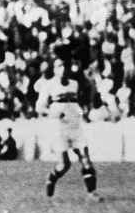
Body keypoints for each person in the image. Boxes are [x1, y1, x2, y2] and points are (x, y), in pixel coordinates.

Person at [37, 58, 101, 200]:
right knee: (64, 164)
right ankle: (51, 178)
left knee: (86, 159)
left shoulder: (74, 84)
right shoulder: (48, 85)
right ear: (54, 69)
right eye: (59, 66)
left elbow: (77, 103)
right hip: (59, 127)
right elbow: (39, 106)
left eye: (64, 66)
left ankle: (92, 193)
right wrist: (51, 113)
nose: (63, 69)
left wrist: (82, 113)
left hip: (75, 126)